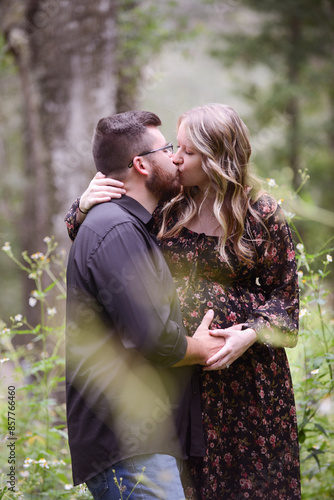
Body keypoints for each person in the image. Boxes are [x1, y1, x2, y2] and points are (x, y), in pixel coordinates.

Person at [65, 104, 301, 499]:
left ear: (217, 159)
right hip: (180, 383)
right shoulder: (167, 206)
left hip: (248, 389)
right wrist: (82, 205)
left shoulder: (262, 214)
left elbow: (286, 302)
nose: (175, 158)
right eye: (175, 148)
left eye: (187, 152)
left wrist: (250, 334)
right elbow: (105, 241)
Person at [65, 110, 228, 500]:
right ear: (140, 164)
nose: (175, 158)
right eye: (168, 149)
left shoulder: (125, 223)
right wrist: (202, 348)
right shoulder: (118, 229)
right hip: (127, 448)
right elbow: (153, 338)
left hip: (136, 447)